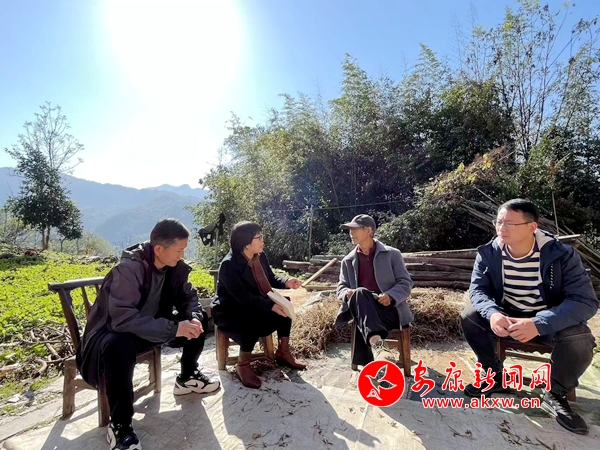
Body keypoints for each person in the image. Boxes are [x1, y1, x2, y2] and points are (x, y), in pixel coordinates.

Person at [77, 219, 220, 450]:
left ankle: (187, 377)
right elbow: (122, 320)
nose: (182, 256)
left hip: (149, 329)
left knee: (198, 319)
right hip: (109, 339)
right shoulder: (128, 270)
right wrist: (174, 328)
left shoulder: (174, 267)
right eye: (179, 250)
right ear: (159, 249)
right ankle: (120, 425)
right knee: (119, 343)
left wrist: (192, 317)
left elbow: (189, 297)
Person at [462, 199, 598, 435]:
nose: (501, 228)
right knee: (470, 316)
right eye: (499, 222)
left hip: (549, 318)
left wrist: (539, 323)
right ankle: (494, 376)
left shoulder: (561, 255)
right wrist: (493, 314)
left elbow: (584, 301)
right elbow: (478, 290)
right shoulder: (489, 253)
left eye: (509, 223)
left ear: (532, 227)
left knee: (580, 338)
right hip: (508, 314)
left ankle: (556, 393)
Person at [211, 221, 306, 389]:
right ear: (246, 243)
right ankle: (243, 365)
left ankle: (283, 352)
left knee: (285, 307)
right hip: (230, 311)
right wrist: (270, 306)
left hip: (254, 303)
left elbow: (270, 278)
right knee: (253, 317)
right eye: (259, 237)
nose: (263, 240)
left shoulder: (259, 256)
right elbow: (242, 297)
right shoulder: (229, 265)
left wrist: (287, 282)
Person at [335, 214, 414, 368]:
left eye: (355, 229)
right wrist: (347, 293)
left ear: (368, 230)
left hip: (389, 311)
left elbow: (406, 283)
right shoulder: (348, 261)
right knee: (359, 293)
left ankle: (372, 368)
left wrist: (391, 295)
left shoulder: (392, 254)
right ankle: (378, 346)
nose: (351, 232)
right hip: (362, 310)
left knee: (362, 312)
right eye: (349, 229)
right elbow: (341, 287)